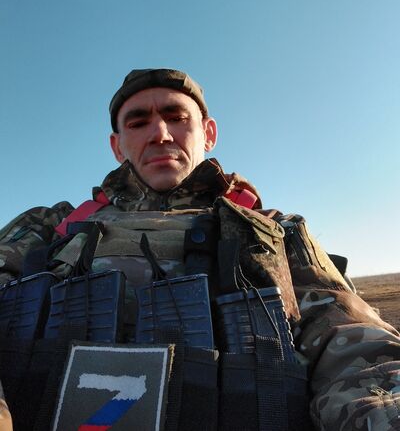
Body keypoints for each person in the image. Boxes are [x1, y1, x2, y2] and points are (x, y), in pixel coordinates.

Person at [0, 68, 399, 431]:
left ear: (208, 133)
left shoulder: (276, 231)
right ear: (117, 145)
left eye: (176, 117)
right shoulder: (49, 226)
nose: (160, 133)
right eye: (138, 122)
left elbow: (351, 340)